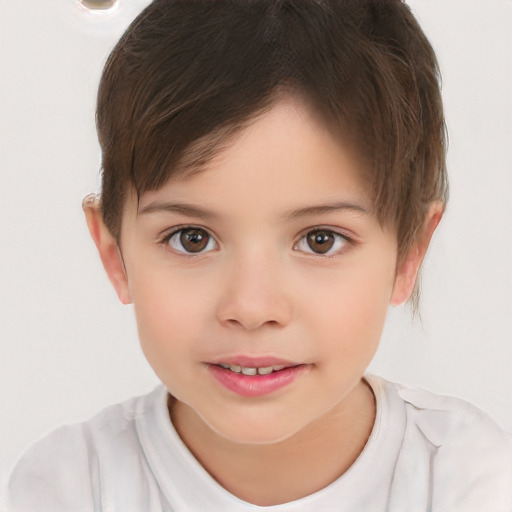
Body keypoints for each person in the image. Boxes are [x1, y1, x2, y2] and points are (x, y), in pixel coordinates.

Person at [4, 0, 511, 510]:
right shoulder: (69, 487)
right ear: (115, 254)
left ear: (408, 254)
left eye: (320, 240)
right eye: (192, 238)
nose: (251, 307)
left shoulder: (466, 478)